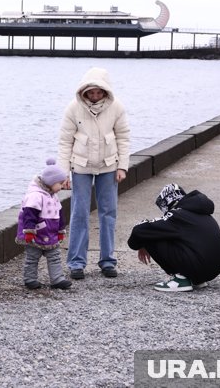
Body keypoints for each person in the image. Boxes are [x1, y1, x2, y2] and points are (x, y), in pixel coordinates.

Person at [57, 67, 130, 280]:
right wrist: (63, 174)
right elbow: (65, 142)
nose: (95, 96)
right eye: (91, 92)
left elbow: (123, 137)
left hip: (109, 165)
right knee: (79, 213)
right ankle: (76, 263)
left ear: (106, 91)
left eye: (99, 92)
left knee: (108, 213)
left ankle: (108, 261)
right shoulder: (73, 108)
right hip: (81, 166)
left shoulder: (117, 107)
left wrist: (122, 167)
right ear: (84, 91)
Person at [127, 183, 220, 292]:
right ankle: (196, 279)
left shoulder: (177, 215)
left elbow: (139, 230)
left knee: (152, 234)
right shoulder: (202, 212)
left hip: (199, 266)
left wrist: (140, 244)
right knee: (174, 235)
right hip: (216, 267)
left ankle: (181, 279)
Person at [16, 158, 72, 290]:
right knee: (32, 257)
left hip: (50, 233)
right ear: (51, 182)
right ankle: (30, 279)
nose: (62, 186)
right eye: (60, 183)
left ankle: (57, 279)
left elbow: (59, 214)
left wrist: (60, 230)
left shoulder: (53, 195)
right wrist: (29, 231)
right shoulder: (35, 196)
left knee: (54, 256)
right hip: (35, 234)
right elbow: (29, 215)